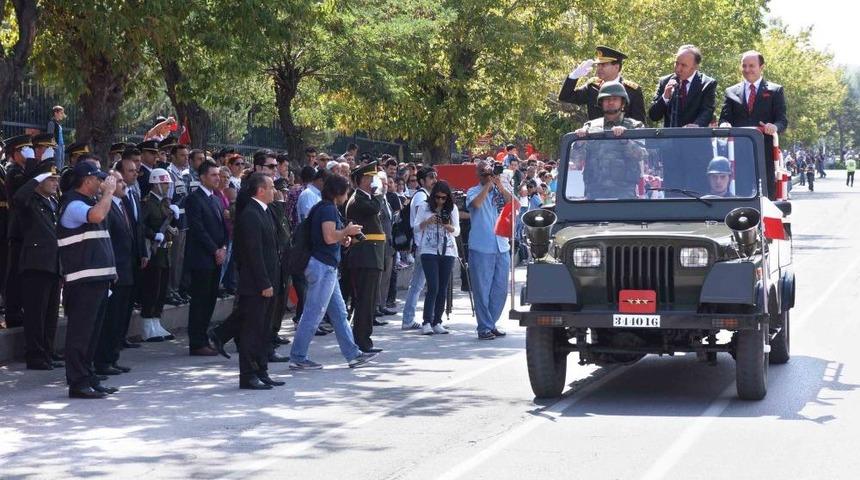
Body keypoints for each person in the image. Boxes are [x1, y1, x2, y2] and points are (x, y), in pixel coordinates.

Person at [288, 174, 379, 370]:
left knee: (339, 313)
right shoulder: (328, 209)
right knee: (313, 313)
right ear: (338, 192)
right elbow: (329, 237)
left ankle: (353, 354)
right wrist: (347, 232)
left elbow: (329, 237)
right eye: (346, 190)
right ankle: (298, 356)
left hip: (326, 266)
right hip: (323, 266)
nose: (348, 194)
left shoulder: (325, 208)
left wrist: (344, 237)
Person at [212, 173, 284, 389]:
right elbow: (254, 254)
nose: (275, 191)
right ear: (260, 191)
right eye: (271, 187)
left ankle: (261, 370)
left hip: (269, 280)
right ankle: (248, 375)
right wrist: (264, 283)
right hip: (256, 284)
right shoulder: (251, 214)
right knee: (251, 332)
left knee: (262, 330)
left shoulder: (265, 211)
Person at [57, 162, 118, 399]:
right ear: (87, 180)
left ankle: (89, 377)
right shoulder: (73, 204)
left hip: (97, 279)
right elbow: (97, 216)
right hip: (83, 281)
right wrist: (110, 193)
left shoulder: (88, 202)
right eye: (98, 179)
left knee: (93, 334)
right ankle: (78, 382)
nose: (102, 183)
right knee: (81, 334)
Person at [15, 159, 62, 370]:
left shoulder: (53, 202)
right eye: (50, 179)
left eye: (56, 179)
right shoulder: (31, 200)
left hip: (54, 263)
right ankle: (35, 355)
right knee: (36, 313)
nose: (54, 183)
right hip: (36, 264)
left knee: (51, 313)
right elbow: (18, 197)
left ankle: (48, 351)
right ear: (40, 181)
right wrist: (36, 178)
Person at [92, 170, 138, 376]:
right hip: (114, 269)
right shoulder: (107, 206)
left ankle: (113, 357)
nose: (123, 184)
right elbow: (107, 239)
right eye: (118, 181)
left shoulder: (124, 204)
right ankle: (103, 360)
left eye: (122, 180)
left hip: (127, 267)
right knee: (110, 319)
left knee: (120, 318)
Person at [184, 160, 228, 356]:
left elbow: (223, 227)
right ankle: (197, 341)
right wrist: (214, 250)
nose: (217, 178)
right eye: (213, 175)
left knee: (210, 299)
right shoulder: (195, 199)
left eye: (218, 175)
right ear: (202, 177)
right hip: (202, 258)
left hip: (216, 257)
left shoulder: (217, 199)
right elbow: (198, 229)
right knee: (200, 300)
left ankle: (204, 337)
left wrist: (224, 247)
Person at [573, 81, 646, 199]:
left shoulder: (634, 126)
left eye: (615, 99)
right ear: (601, 103)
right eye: (606, 99)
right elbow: (576, 160)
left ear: (622, 102)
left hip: (624, 192)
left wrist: (626, 140)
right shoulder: (590, 126)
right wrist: (579, 143)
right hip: (594, 192)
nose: (610, 102)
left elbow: (642, 155)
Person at [467, 160, 512, 340]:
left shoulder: (499, 189)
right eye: (484, 174)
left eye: (490, 174)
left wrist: (499, 185)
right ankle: (484, 327)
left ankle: (491, 323)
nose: (488, 177)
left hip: (501, 245)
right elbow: (476, 205)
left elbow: (512, 203)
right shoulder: (473, 191)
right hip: (481, 246)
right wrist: (487, 186)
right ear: (479, 175)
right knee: (482, 289)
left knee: (500, 289)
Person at [344, 162, 386, 352]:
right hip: (365, 256)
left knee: (368, 301)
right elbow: (374, 208)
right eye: (369, 178)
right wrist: (379, 193)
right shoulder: (360, 200)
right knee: (364, 301)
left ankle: (363, 338)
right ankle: (362, 341)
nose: (373, 181)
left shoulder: (365, 197)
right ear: (360, 181)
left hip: (371, 255)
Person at [415, 181, 460, 335]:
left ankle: (437, 321)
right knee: (433, 286)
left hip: (447, 251)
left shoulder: (452, 208)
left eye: (443, 198)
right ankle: (427, 320)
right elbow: (415, 227)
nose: (440, 201)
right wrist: (427, 222)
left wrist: (449, 227)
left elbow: (457, 231)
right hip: (428, 250)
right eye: (438, 198)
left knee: (442, 287)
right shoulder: (424, 207)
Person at [559, 45, 647, 122]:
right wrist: (574, 76)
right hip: (596, 139)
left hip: (622, 140)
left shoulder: (632, 90)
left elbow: (639, 124)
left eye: (604, 65)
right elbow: (565, 97)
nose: (599, 68)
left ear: (616, 67)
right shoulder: (593, 87)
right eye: (598, 65)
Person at [138, 168, 177, 341]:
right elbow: (141, 225)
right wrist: (154, 235)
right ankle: (147, 326)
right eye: (163, 183)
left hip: (165, 251)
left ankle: (156, 322)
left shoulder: (165, 202)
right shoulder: (148, 202)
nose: (167, 185)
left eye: (167, 182)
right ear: (155, 183)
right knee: (151, 289)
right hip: (153, 252)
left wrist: (174, 219)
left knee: (161, 290)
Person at [4, 134, 38, 329]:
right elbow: (25, 187)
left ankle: (18, 310)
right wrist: (33, 161)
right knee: (15, 274)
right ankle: (13, 313)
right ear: (14, 154)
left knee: (22, 274)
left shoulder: (22, 169)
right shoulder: (13, 171)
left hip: (25, 230)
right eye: (23, 150)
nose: (27, 153)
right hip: (16, 229)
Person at [401, 166, 438, 330]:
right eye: (431, 177)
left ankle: (409, 318)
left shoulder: (426, 195)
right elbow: (417, 223)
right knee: (417, 284)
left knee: (418, 284)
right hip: (422, 246)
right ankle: (408, 318)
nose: (434, 180)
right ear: (422, 181)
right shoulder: (420, 197)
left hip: (425, 245)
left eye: (435, 177)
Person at [718, 51, 788, 135]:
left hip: (764, 145)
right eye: (744, 66)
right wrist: (724, 124)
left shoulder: (775, 91)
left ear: (761, 67)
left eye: (751, 66)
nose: (747, 70)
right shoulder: (730, 92)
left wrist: (774, 127)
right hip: (738, 145)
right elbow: (724, 119)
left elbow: (782, 121)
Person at [648, 45, 717, 128]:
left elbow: (707, 111)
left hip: (695, 138)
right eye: (676, 63)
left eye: (684, 65)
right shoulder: (665, 82)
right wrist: (665, 97)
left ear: (695, 67)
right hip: (670, 138)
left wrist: (697, 125)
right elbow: (654, 116)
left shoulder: (707, 84)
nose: (678, 69)